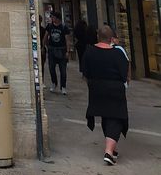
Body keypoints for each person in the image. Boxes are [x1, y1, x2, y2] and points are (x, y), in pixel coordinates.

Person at [81, 24, 129, 165]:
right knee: (116, 118)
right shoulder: (118, 53)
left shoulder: (89, 52)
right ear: (111, 39)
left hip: (96, 88)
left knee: (106, 116)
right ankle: (108, 151)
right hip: (114, 89)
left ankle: (112, 150)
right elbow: (124, 74)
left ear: (98, 36)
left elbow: (85, 73)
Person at [43, 12, 72, 94]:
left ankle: (63, 86)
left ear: (57, 18)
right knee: (51, 68)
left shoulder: (63, 27)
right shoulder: (49, 26)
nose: (52, 19)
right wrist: (44, 45)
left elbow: (67, 40)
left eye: (53, 17)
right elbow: (46, 36)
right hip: (52, 49)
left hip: (61, 50)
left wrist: (67, 51)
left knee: (63, 70)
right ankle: (54, 82)